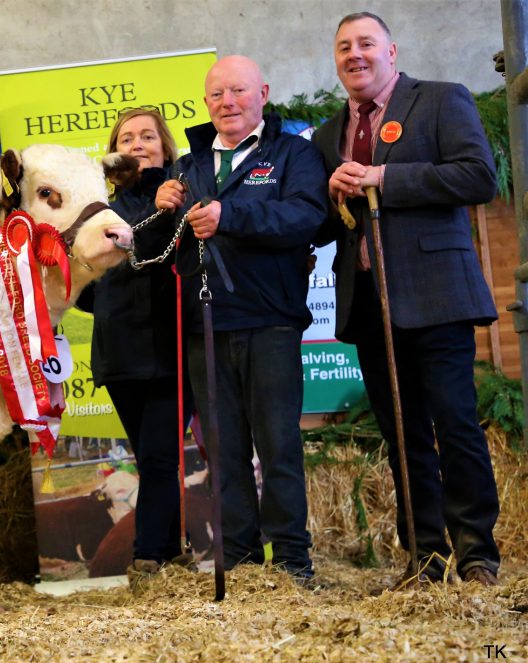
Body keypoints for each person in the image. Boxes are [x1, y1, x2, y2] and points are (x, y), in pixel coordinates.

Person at [311, 12, 501, 587]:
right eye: (344, 47)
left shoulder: (442, 100)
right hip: (370, 303)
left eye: (366, 43)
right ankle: (426, 555)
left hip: (437, 297)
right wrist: (331, 192)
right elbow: (320, 227)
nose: (355, 55)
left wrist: (384, 179)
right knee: (402, 433)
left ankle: (476, 554)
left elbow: (477, 177)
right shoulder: (325, 136)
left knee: (456, 424)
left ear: (391, 50)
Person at [153, 55, 328, 584]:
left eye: (238, 91)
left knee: (278, 445)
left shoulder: (293, 153)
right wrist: (163, 210)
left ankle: (294, 563)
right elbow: (166, 252)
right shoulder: (187, 165)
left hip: (271, 319)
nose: (227, 102)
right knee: (224, 452)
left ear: (263, 93)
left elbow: (307, 216)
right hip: (206, 325)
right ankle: (244, 563)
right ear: (205, 102)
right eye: (216, 94)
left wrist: (233, 215)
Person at [76, 107, 194, 587]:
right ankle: (167, 551)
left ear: (166, 148)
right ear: (114, 155)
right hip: (120, 351)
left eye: (148, 136)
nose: (138, 144)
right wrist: (106, 299)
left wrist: (171, 206)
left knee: (162, 454)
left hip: (171, 346)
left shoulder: (184, 193)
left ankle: (148, 558)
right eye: (127, 138)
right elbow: (81, 280)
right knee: (150, 456)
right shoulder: (97, 211)